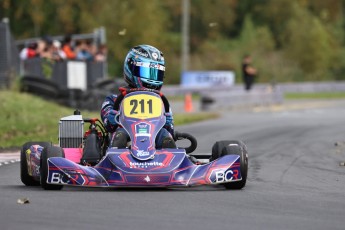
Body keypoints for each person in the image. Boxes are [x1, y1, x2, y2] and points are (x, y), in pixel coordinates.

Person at [100, 44, 176, 149]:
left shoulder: (161, 103)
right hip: (125, 141)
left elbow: (171, 132)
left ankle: (171, 162)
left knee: (165, 136)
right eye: (146, 72)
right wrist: (111, 118)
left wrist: (168, 124)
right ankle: (114, 160)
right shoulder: (113, 100)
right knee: (120, 135)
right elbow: (108, 126)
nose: (151, 78)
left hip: (154, 144)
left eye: (156, 74)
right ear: (131, 69)